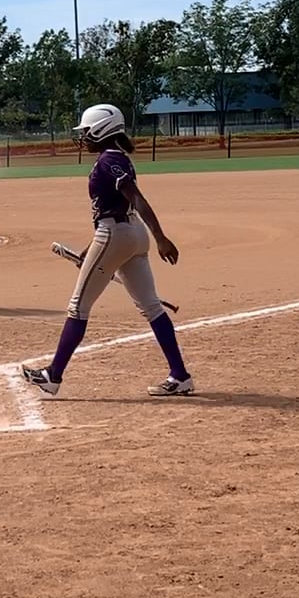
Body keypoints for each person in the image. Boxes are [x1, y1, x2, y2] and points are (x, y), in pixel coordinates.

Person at [22, 103, 192, 398]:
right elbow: (117, 209)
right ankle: (180, 376)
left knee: (78, 307)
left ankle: (53, 375)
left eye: (87, 131)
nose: (83, 137)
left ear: (102, 130)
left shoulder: (107, 161)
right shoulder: (119, 157)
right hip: (130, 233)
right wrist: (92, 249)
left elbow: (136, 199)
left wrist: (162, 237)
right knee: (152, 306)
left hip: (116, 234)